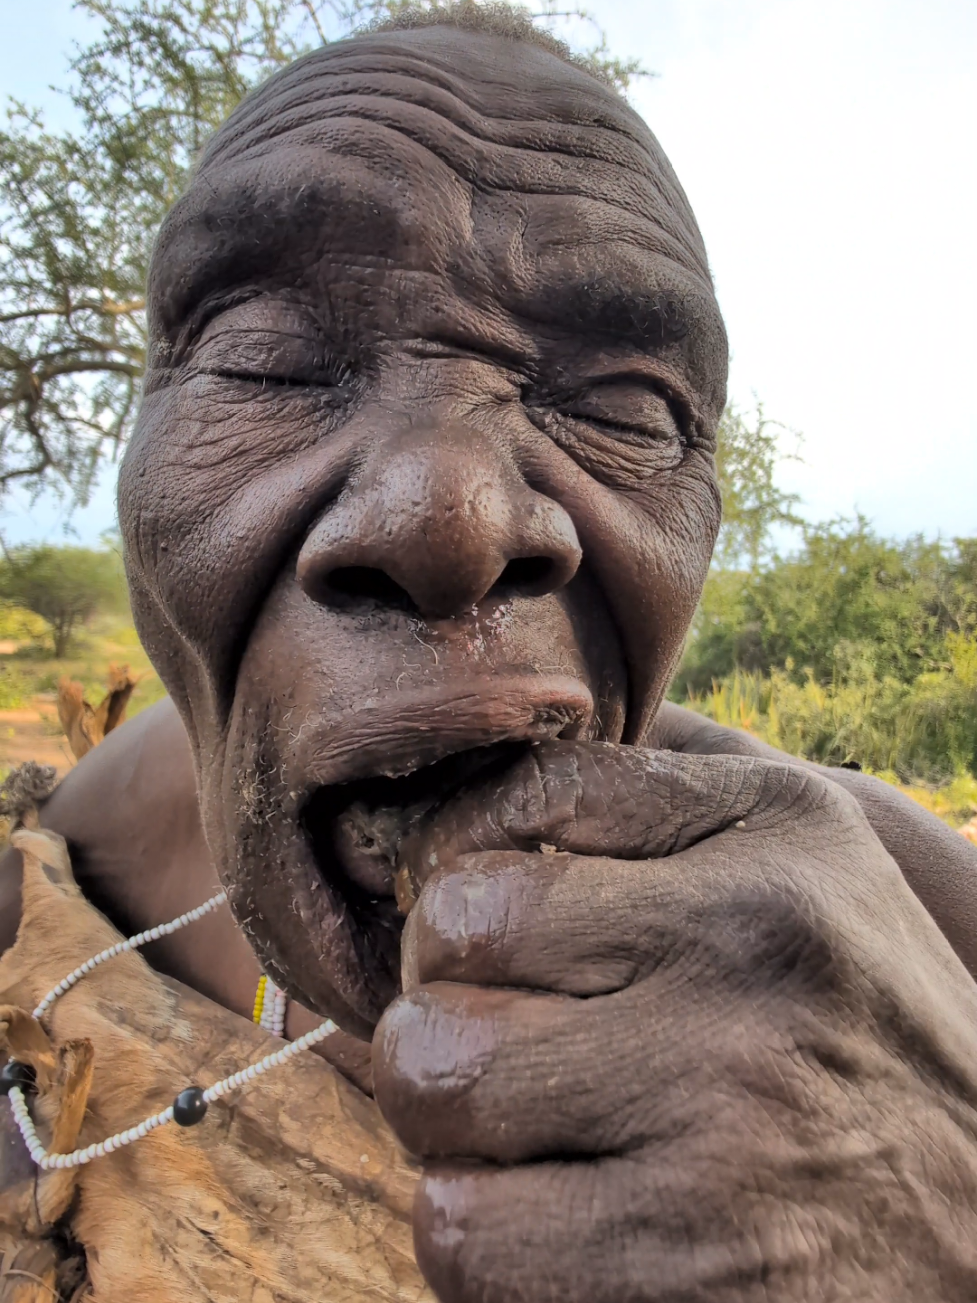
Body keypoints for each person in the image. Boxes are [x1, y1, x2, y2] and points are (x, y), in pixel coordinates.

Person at [2, 6, 977, 1299]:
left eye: (626, 408)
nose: (445, 515)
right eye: (267, 363)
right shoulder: (78, 852)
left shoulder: (909, 931)